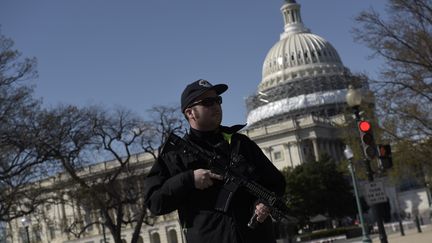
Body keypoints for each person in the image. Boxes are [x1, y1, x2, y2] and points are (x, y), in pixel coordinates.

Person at [144, 79, 286, 243]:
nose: (216, 106)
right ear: (190, 113)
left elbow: (276, 182)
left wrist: (263, 203)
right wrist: (189, 179)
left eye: (218, 100)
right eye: (208, 102)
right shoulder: (175, 156)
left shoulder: (241, 143)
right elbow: (155, 202)